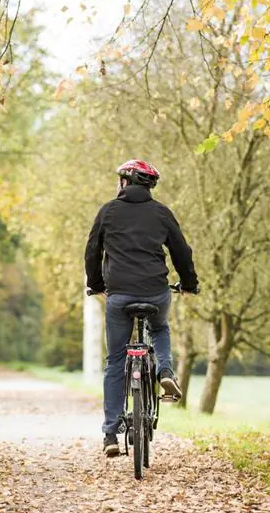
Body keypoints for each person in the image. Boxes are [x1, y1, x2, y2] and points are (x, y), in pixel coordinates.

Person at [85, 159, 199, 457]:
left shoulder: (108, 211)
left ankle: (110, 433)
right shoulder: (161, 213)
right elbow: (181, 252)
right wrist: (189, 283)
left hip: (119, 295)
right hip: (155, 291)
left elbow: (92, 251)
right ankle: (164, 370)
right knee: (159, 327)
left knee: (115, 360)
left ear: (125, 182)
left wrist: (96, 284)